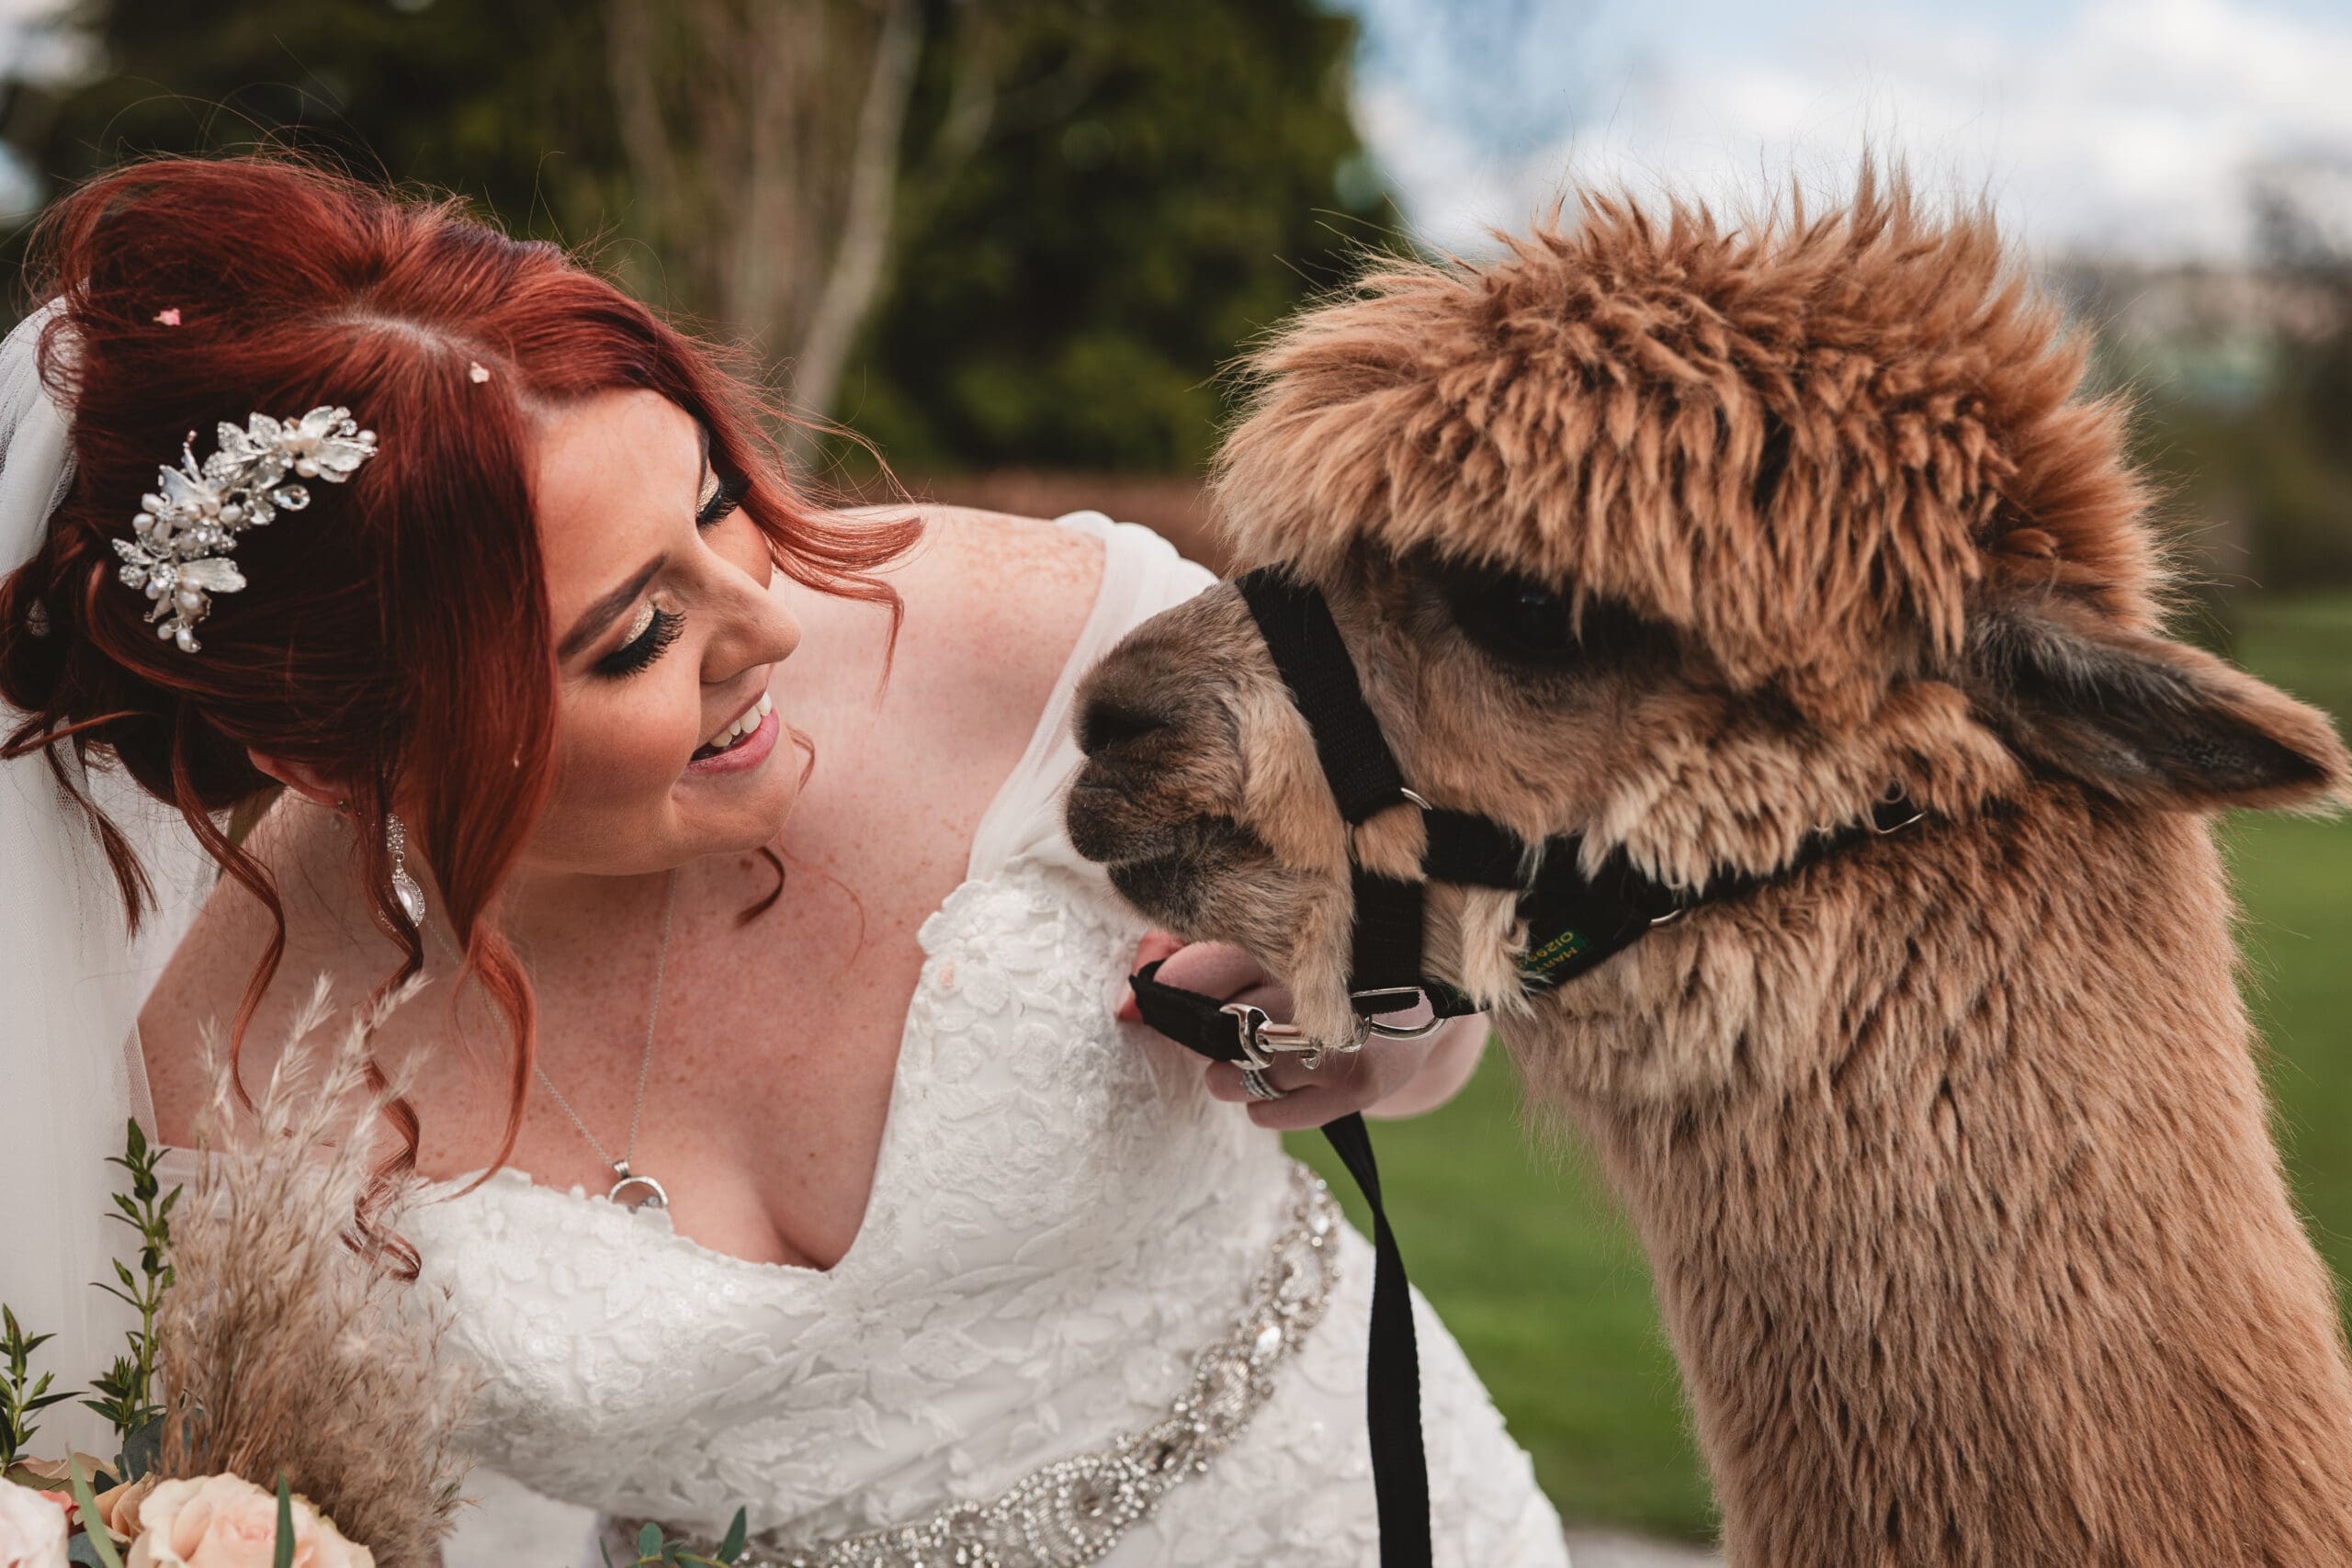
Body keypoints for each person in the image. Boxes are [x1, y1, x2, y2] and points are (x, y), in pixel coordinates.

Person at [0, 155, 1568, 1566]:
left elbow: (1438, 990)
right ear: (336, 753)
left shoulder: (1040, 646)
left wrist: (1360, 1029)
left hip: (1362, 1510)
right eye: (635, 636)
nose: (770, 626)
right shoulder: (214, 1081)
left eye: (718, 506)